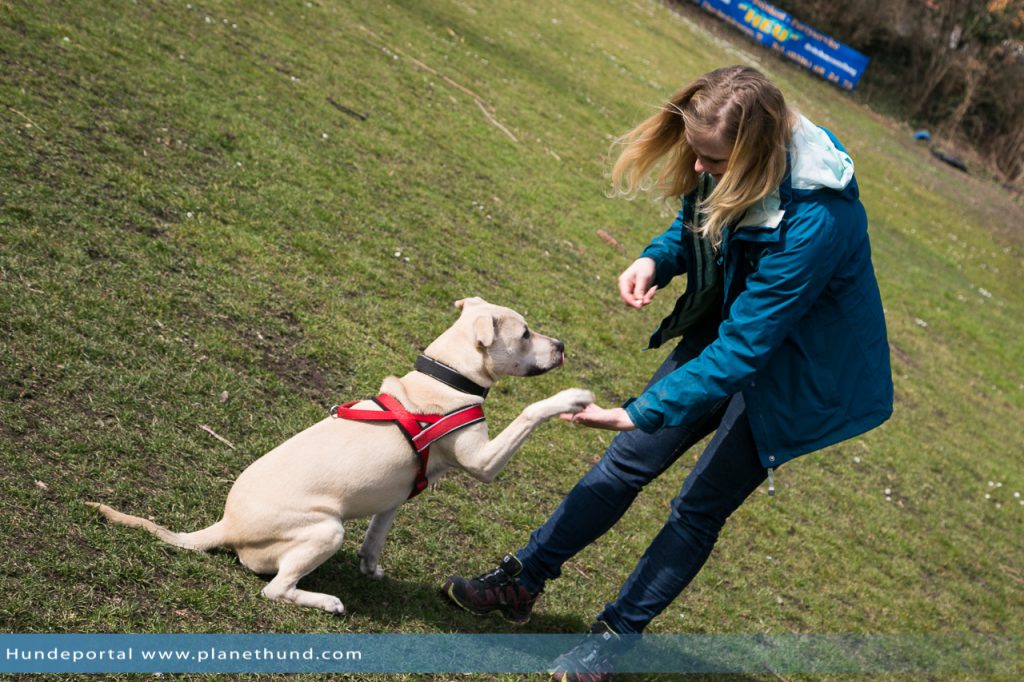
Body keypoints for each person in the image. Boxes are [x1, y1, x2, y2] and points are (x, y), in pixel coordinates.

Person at [442, 65, 894, 681]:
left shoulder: (819, 218)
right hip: (734, 334)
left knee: (697, 506)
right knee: (627, 461)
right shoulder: (732, 164)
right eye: (696, 154)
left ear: (755, 153)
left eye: (712, 159)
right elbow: (704, 226)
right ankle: (523, 581)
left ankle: (613, 642)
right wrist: (657, 258)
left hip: (795, 373)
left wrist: (640, 410)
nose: (701, 169)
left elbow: (748, 348)